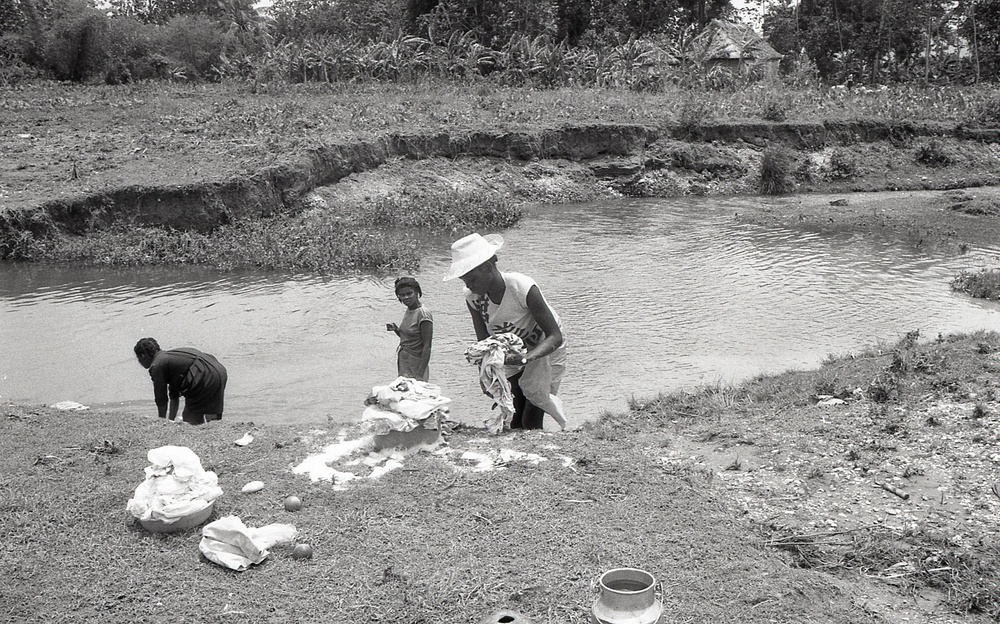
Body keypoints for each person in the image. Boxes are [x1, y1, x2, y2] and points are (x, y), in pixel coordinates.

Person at [445, 232, 567, 430]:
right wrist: (485, 377)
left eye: (472, 279)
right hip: (510, 349)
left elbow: (555, 336)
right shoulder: (473, 298)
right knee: (513, 406)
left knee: (535, 403)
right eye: (464, 280)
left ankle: (534, 450)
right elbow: (484, 343)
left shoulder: (522, 288)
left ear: (489, 266)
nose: (469, 285)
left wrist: (526, 358)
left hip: (545, 347)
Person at [133, 338, 228, 425]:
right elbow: (174, 396)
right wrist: (171, 420)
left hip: (203, 375)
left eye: (138, 358)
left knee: (190, 418)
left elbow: (161, 399)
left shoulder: (157, 365)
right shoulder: (169, 359)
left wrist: (161, 422)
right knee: (211, 415)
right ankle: (212, 430)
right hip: (218, 370)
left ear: (143, 355)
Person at [386, 276, 433, 382]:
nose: (406, 297)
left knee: (417, 396)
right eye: (402, 295)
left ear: (417, 292)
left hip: (416, 364)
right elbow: (410, 337)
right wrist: (396, 329)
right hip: (404, 362)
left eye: (409, 293)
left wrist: (420, 374)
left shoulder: (423, 314)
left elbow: (427, 346)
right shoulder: (409, 310)